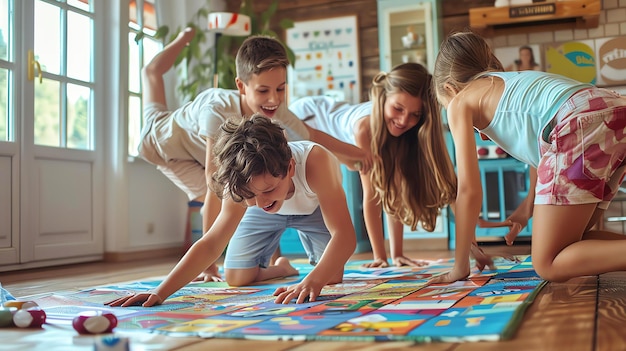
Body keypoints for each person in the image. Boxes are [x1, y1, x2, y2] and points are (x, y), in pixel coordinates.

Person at [139, 27, 368, 280]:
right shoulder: (218, 110)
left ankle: (272, 261)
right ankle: (182, 37)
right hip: (160, 143)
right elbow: (214, 181)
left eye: (280, 89)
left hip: (198, 153)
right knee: (151, 74)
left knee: (256, 186)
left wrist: (358, 156)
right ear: (241, 86)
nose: (273, 98)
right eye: (263, 91)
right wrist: (209, 264)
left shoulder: (272, 109)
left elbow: (311, 135)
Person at [431, 30, 626, 285]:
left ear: (450, 89)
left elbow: (468, 190)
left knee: (548, 262)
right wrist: (527, 208)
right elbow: (542, 151)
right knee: (571, 241)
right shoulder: (511, 81)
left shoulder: (460, 102)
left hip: (576, 122)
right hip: (610, 112)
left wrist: (459, 267)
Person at [107, 115, 357, 306]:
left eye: (268, 189)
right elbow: (212, 243)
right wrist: (160, 292)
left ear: (290, 168)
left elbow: (345, 237)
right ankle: (283, 267)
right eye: (250, 195)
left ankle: (307, 269)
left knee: (331, 277)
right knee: (236, 276)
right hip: (264, 214)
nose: (260, 202)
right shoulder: (242, 182)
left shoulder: (316, 161)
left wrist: (312, 280)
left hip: (313, 209)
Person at [289, 63, 458, 268]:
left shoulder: (397, 131)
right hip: (307, 118)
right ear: (383, 98)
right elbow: (372, 196)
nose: (404, 120)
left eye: (415, 115)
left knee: (383, 176)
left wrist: (397, 255)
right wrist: (380, 257)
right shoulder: (365, 130)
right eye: (398, 108)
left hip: (336, 125)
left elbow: (393, 191)